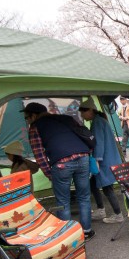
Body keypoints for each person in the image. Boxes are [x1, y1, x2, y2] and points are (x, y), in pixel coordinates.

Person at [22, 102, 94, 238]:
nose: (27, 120)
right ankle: (87, 230)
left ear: (34, 115)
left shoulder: (35, 127)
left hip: (61, 163)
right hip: (83, 157)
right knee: (84, 197)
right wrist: (87, 154)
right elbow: (84, 135)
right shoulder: (66, 118)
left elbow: (39, 154)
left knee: (63, 201)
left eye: (27, 117)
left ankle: (68, 236)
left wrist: (49, 173)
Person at [79, 99, 124, 224]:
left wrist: (97, 160)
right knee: (94, 184)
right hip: (109, 159)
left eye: (82, 113)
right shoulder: (100, 120)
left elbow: (99, 143)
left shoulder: (97, 122)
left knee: (107, 188)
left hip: (104, 161)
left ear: (89, 111)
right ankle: (101, 210)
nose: (82, 116)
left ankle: (118, 214)